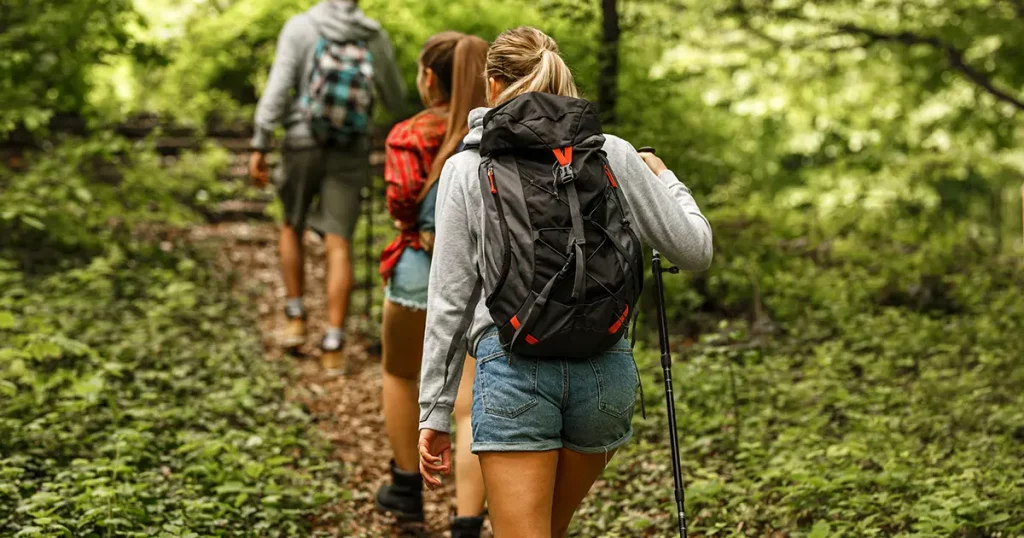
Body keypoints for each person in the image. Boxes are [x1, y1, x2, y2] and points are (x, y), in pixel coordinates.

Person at [416, 27, 714, 538]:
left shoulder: (467, 168)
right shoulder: (612, 155)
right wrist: (666, 178)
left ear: (492, 87)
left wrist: (435, 412)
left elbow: (450, 301)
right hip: (605, 372)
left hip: (513, 368)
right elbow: (695, 249)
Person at [248, 0, 405, 372]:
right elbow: (395, 98)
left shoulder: (301, 26)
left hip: (301, 139)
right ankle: (334, 344)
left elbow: (278, 86)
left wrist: (260, 140)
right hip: (350, 146)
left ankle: (295, 317)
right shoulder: (372, 35)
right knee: (339, 243)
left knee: (292, 224)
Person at [374, 32, 489, 537]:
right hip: (481, 281)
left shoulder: (410, 134)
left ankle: (407, 492)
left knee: (400, 375)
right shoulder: (497, 135)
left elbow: (400, 201)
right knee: (466, 406)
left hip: (417, 275)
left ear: (428, 78)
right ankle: (467, 521)